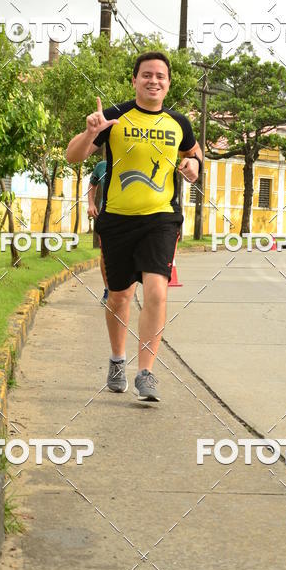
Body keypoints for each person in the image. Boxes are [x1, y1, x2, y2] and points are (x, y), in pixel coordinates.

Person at [66, 51, 201, 402]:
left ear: (168, 83)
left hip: (161, 219)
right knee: (120, 295)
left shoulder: (178, 123)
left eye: (160, 75)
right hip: (116, 222)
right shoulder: (114, 116)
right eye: (146, 75)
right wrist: (89, 132)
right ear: (135, 80)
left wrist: (194, 166)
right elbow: (73, 156)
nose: (153, 80)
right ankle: (116, 360)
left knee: (157, 290)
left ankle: (146, 373)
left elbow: (195, 153)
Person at [87, 160, 108, 305]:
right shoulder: (102, 166)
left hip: (131, 217)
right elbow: (92, 184)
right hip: (106, 215)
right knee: (105, 254)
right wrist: (91, 203)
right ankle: (108, 290)